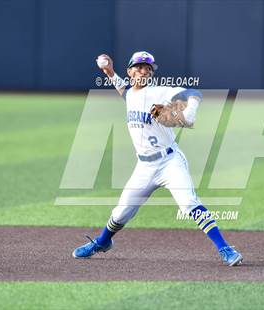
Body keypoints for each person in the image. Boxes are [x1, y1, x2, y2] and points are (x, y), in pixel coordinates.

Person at [72, 51, 243, 266]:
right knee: (121, 213)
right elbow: (124, 91)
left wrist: (189, 112)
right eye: (139, 67)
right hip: (144, 167)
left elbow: (194, 92)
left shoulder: (160, 92)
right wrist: (109, 72)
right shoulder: (131, 94)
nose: (144, 70)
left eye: (148, 68)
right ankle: (102, 242)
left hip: (169, 162)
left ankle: (225, 248)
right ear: (130, 71)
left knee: (189, 203)